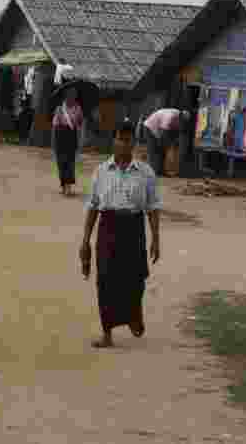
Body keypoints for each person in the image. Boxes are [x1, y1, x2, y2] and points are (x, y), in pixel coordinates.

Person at [80, 118, 162, 349]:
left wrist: (156, 238)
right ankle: (107, 333)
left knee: (135, 279)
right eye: (120, 140)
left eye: (128, 141)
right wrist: (85, 241)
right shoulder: (101, 172)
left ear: (134, 144)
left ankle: (134, 315)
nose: (124, 145)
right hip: (107, 227)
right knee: (105, 280)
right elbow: (93, 206)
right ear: (113, 142)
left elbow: (153, 207)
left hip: (133, 228)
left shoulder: (145, 173)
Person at [137, 108, 191, 178]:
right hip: (150, 128)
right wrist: (165, 144)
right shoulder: (170, 117)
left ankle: (160, 171)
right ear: (181, 116)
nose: (183, 123)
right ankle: (151, 172)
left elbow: (174, 132)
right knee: (153, 151)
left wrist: (170, 143)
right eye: (183, 121)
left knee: (162, 151)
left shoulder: (179, 119)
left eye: (185, 122)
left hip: (159, 130)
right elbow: (164, 132)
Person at [52, 89, 84, 196]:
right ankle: (64, 183)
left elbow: (80, 123)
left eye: (74, 95)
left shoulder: (78, 108)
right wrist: (54, 141)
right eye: (70, 95)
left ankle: (68, 186)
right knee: (61, 161)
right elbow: (55, 125)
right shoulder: (60, 109)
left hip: (71, 136)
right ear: (66, 96)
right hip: (61, 135)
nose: (72, 97)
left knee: (70, 161)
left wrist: (79, 121)